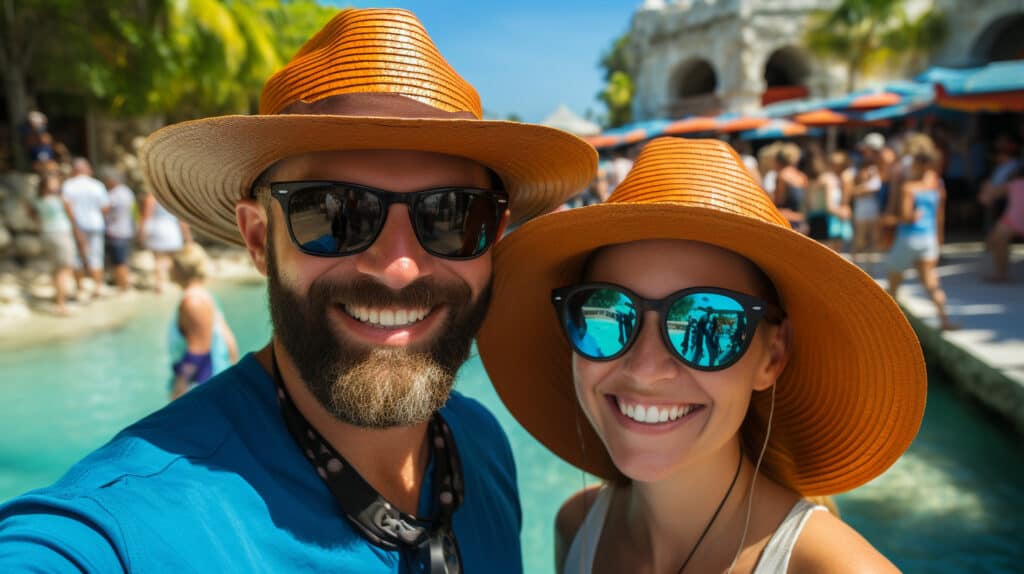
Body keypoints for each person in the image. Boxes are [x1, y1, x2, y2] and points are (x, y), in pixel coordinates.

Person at [0, 8, 596, 573]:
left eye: (450, 217)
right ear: (259, 239)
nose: (398, 269)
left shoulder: (482, 447)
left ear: (492, 239)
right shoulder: (128, 526)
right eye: (333, 214)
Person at [477, 138, 926, 573]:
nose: (646, 369)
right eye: (608, 314)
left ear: (772, 355)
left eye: (706, 323)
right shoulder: (575, 526)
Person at [886, 138, 957, 330]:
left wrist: (895, 218)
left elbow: (906, 216)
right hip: (929, 238)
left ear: (917, 164)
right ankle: (945, 321)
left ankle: (888, 324)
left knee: (893, 284)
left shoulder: (908, 187)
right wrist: (939, 240)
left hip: (908, 238)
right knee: (931, 282)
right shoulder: (938, 184)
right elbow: (939, 216)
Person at [168, 242, 239, 399]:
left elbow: (198, 352)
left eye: (172, 263)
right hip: (219, 382)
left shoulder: (193, 303)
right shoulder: (206, 296)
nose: (168, 267)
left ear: (181, 268)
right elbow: (229, 341)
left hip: (203, 388)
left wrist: (179, 387)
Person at [27, 172, 87, 315]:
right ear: (48, 185)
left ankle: (58, 300)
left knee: (56, 269)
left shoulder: (37, 200)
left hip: (46, 234)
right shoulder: (60, 200)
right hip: (61, 234)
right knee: (65, 269)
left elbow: (31, 213)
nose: (56, 184)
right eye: (53, 182)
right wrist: (79, 235)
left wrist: (40, 222)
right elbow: (72, 219)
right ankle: (61, 304)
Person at [61, 157, 109, 300]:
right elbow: (105, 207)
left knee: (77, 258)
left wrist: (74, 224)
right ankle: (98, 287)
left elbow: (66, 207)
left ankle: (80, 288)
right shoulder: (97, 185)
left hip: (76, 226)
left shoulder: (68, 185)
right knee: (96, 257)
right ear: (87, 169)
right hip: (96, 224)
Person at [978, 160, 1024, 282]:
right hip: (1012, 220)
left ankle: (1001, 272)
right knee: (995, 239)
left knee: (995, 240)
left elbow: (986, 199)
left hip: (1013, 220)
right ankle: (1000, 272)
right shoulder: (1013, 184)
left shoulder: (1013, 184)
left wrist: (986, 187)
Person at [101, 166, 137, 291]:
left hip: (116, 232)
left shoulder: (113, 194)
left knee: (118, 261)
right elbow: (134, 211)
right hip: (127, 230)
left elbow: (105, 210)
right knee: (123, 260)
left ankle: (123, 286)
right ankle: (124, 284)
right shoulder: (127, 191)